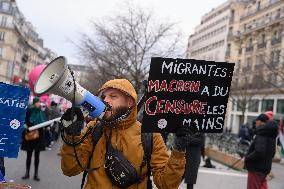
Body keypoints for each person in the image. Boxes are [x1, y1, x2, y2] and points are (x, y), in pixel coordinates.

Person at [60, 79, 191, 189]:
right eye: (104, 96)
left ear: (129, 103)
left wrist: (178, 152)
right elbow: (70, 169)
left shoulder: (150, 135)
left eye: (113, 96)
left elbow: (166, 184)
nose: (105, 100)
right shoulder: (94, 128)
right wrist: (71, 136)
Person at [244, 113, 278, 189]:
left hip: (256, 169)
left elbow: (259, 152)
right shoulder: (271, 135)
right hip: (264, 169)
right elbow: (272, 153)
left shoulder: (262, 133)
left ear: (260, 121)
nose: (255, 123)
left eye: (256, 121)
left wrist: (248, 158)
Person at [21, 97, 47, 181]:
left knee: (37, 156)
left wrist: (46, 125)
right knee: (29, 155)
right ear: (34, 102)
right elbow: (24, 121)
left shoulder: (41, 112)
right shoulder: (29, 110)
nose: (39, 103)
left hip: (38, 137)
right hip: (30, 136)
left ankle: (36, 174)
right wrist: (25, 125)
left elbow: (45, 122)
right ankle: (27, 173)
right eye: (38, 102)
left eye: (40, 102)